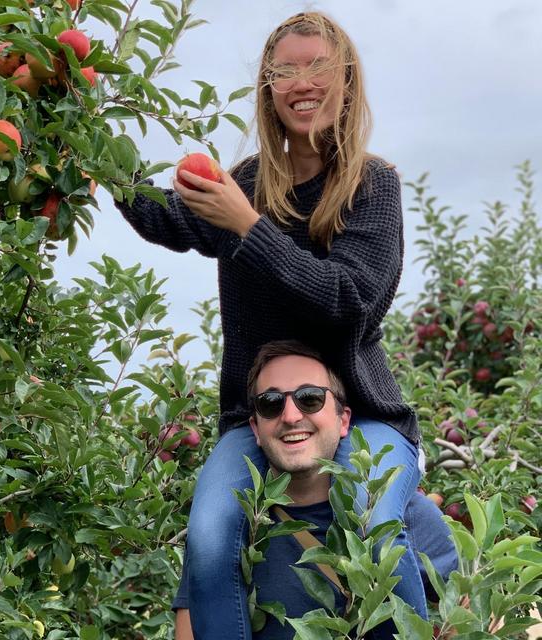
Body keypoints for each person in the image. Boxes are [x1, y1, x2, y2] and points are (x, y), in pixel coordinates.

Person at [115, 11, 425, 638]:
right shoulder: (248, 183)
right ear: (266, 86)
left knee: (371, 523)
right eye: (284, 69)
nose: (301, 81)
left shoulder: (373, 186)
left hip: (364, 414)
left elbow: (351, 299)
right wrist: (93, 145)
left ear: (347, 79)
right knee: (207, 539)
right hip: (258, 418)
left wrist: (245, 225)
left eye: (318, 66)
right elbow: (164, 218)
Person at [173, 341, 458, 640]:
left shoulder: (404, 518)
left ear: (344, 419)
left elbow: (473, 617)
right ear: (255, 429)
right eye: (271, 403)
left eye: (310, 398)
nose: (291, 416)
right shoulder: (225, 528)